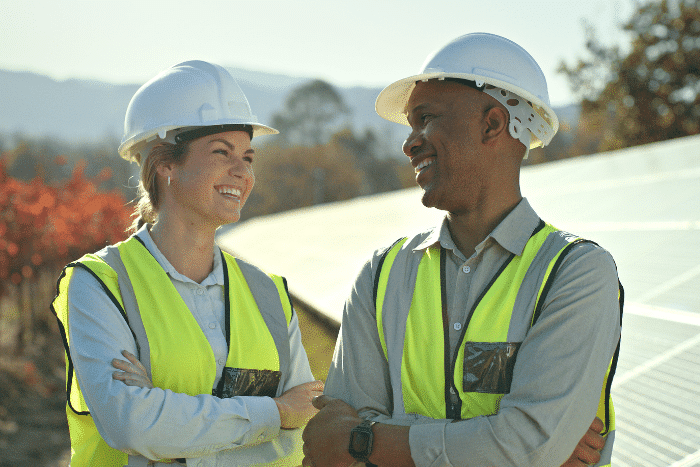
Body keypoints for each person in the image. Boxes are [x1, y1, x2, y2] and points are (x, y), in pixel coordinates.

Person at [302, 33, 622, 467]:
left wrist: (364, 440)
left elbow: (524, 446)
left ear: (491, 124)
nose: (409, 142)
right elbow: (524, 449)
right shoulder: (381, 275)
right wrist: (505, 444)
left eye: (426, 118)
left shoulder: (577, 273)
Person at [51, 60, 323, 467]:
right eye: (221, 153)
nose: (242, 172)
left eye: (248, 157)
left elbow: (307, 423)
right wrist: (274, 413)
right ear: (166, 164)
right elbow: (131, 426)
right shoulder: (100, 284)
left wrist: (164, 412)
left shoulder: (268, 292)